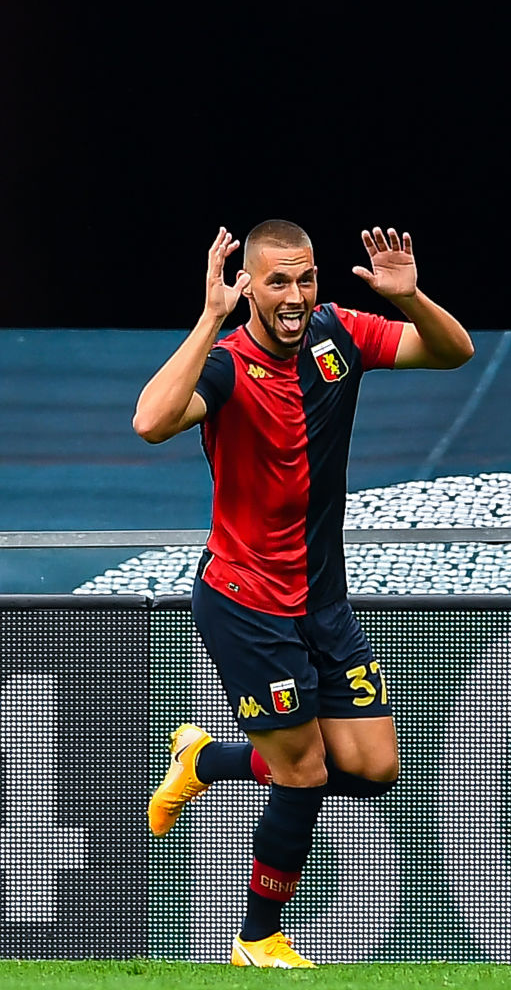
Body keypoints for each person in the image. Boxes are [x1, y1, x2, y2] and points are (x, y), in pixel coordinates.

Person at [132, 220, 474, 967]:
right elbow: (151, 421)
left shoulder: (338, 336)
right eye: (277, 281)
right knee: (304, 770)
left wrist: (411, 299)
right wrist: (209, 316)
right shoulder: (224, 367)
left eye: (306, 278)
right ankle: (256, 940)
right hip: (247, 602)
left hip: (323, 602)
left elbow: (454, 353)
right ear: (249, 284)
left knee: (373, 769)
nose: (294, 297)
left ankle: (205, 761)